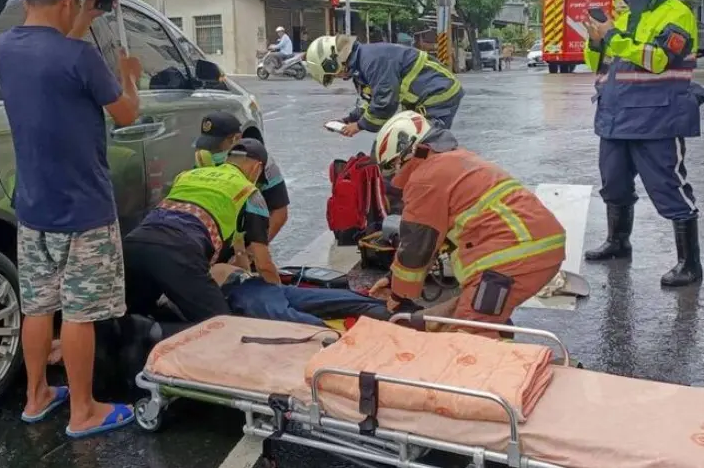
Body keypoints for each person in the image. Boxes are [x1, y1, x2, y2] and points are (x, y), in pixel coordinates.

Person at [0, 0, 142, 437]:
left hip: (33, 206)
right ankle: (84, 410)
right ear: (66, 1)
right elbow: (126, 114)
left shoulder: (5, 47)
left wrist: (86, 19)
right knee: (79, 313)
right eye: (75, 4)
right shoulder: (81, 60)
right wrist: (130, 75)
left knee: (37, 306)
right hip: (84, 210)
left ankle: (36, 396)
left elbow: (55, 52)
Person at [368, 111, 566, 337]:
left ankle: (506, 369)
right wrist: (392, 280)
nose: (393, 173)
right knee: (479, 316)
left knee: (471, 333)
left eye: (391, 165)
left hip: (510, 258)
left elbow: (415, 248)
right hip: (532, 246)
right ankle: (506, 356)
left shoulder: (424, 179)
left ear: (403, 155)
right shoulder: (455, 159)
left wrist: (397, 295)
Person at [582, 0, 702, 286]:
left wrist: (611, 37)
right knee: (614, 184)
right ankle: (619, 242)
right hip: (615, 118)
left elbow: (659, 60)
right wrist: (595, 43)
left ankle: (690, 264)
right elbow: (601, 67)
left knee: (670, 187)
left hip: (657, 119)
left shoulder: (675, 14)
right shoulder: (623, 18)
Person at [122, 139, 279, 338]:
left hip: (134, 243)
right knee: (223, 330)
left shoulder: (189, 174)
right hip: (179, 251)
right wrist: (279, 295)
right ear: (257, 169)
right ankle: (154, 334)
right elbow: (263, 263)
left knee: (128, 316)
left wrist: (242, 276)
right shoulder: (249, 192)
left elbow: (239, 250)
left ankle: (135, 346)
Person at [305, 35, 464, 133]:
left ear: (333, 63)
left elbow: (384, 102)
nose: (337, 77)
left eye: (333, 74)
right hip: (423, 98)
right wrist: (348, 120)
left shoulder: (372, 62)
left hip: (439, 95)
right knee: (409, 145)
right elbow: (370, 101)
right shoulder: (360, 64)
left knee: (425, 145)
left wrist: (359, 126)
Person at [194, 112, 290, 240]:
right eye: (208, 146)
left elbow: (279, 212)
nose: (212, 152)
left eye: (216, 147)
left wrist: (255, 249)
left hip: (247, 228)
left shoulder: (262, 163)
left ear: (237, 139)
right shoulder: (203, 160)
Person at [210, 263, 396, 326]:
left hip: (267, 287)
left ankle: (401, 315)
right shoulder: (197, 275)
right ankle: (339, 341)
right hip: (246, 293)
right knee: (306, 324)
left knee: (346, 297)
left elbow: (260, 264)